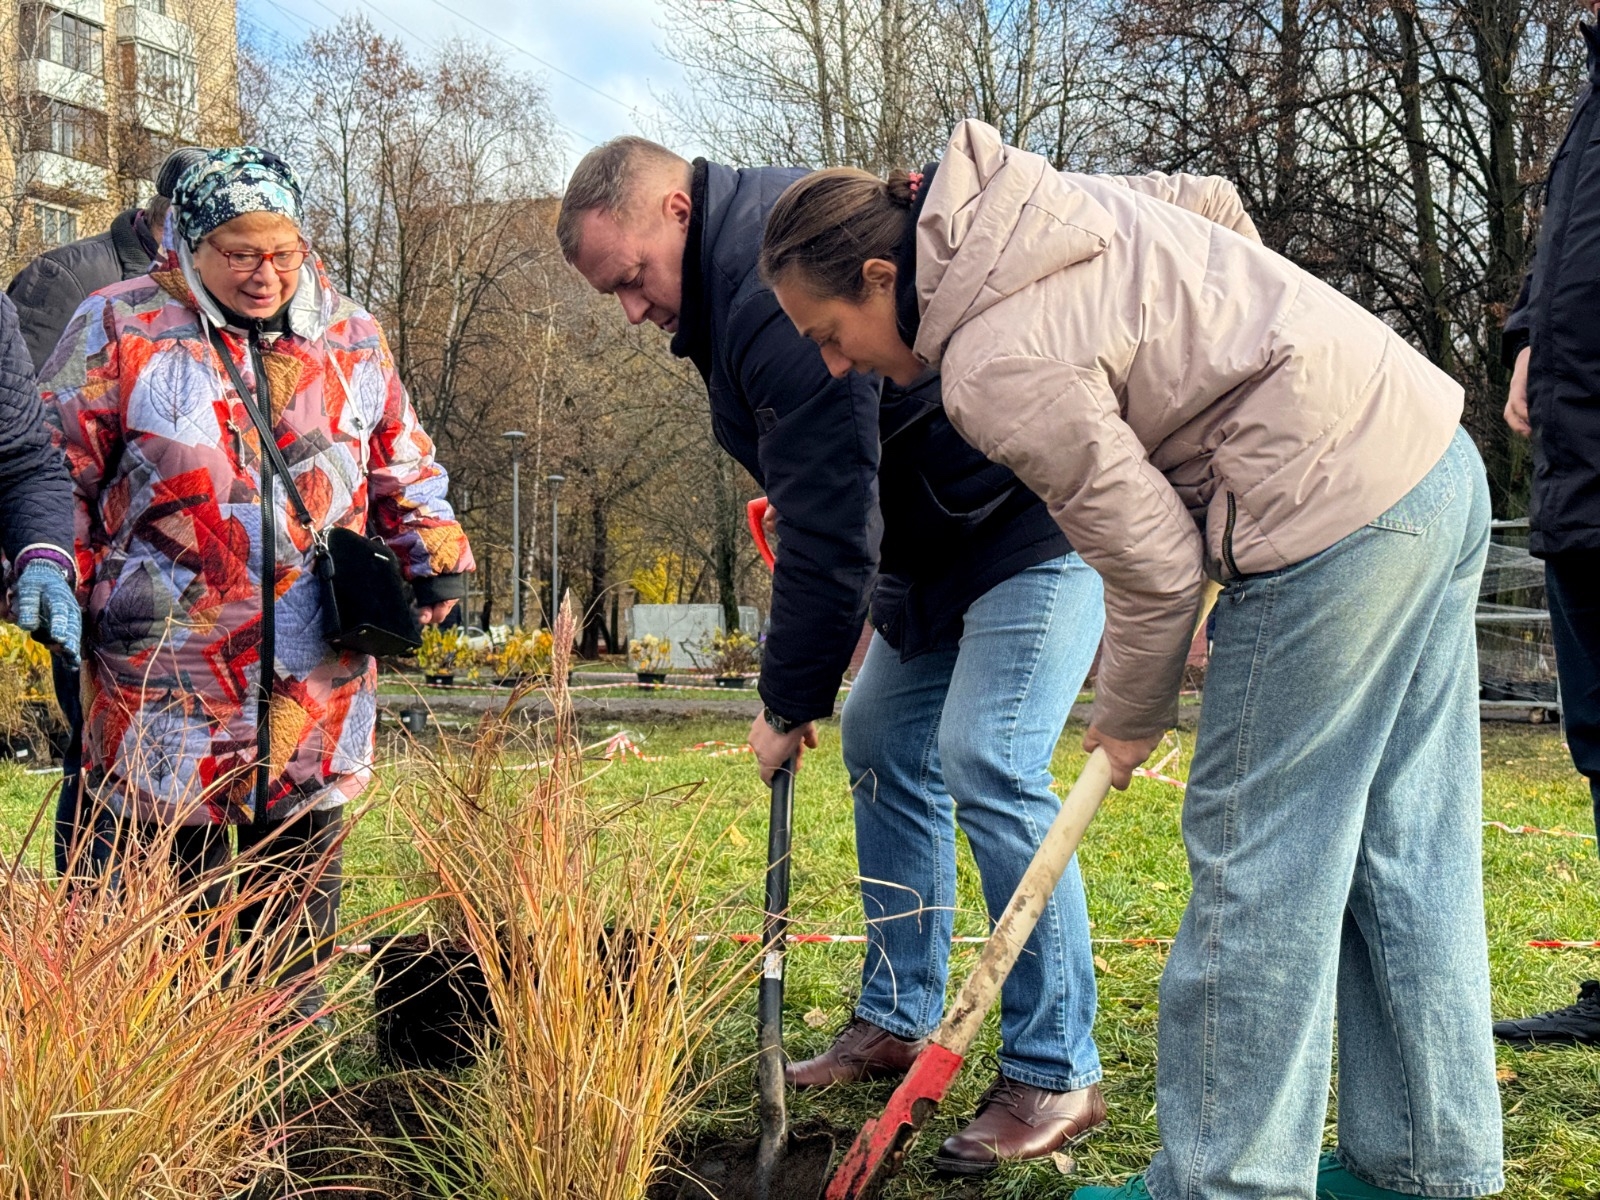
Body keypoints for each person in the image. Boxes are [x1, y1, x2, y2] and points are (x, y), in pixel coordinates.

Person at [759, 119, 1502, 1200]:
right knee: (1404, 845)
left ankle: (1223, 1184)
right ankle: (1427, 1164)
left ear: (882, 276)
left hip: (1324, 523)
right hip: (1428, 457)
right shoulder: (1034, 206)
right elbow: (1206, 202)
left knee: (1254, 868)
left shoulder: (989, 364)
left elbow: (1154, 564)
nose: (834, 363)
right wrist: (1276, 354)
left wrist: (1128, 714)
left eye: (830, 331)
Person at [558, 137, 1110, 1172]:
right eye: (612, 295)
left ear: (676, 209)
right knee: (883, 735)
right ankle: (896, 1013)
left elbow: (829, 524)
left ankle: (1054, 1070)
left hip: (1029, 522)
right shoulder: (728, 283)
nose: (631, 310)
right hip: (934, 549)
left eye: (632, 278)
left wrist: (785, 696)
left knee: (988, 757)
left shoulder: (770, 286)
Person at [39, 146, 474, 1022]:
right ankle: (165, 1084)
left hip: (316, 682)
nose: (265, 271)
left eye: (282, 249)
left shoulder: (350, 335)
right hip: (165, 682)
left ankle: (283, 1080)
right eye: (239, 251)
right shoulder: (119, 326)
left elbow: (402, 463)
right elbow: (55, 474)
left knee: (295, 903)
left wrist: (434, 552)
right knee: (162, 915)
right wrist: (50, 569)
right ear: (190, 242)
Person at [8, 145, 208, 879]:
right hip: (101, 583)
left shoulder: (215, 290)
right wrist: (59, 563)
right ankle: (100, 948)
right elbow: (29, 439)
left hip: (198, 596)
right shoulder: (71, 281)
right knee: (103, 761)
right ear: (168, 217)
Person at [1492, 0, 1600, 1048]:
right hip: (1577, 479)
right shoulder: (1588, 94)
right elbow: (1564, 252)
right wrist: (1528, 334)